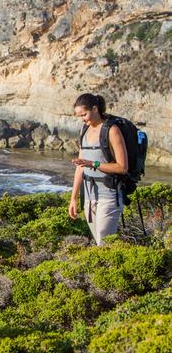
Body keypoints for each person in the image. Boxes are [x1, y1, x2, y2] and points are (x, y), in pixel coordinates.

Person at [69, 93, 128, 245]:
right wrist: (73, 198)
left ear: (95, 109)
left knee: (104, 242)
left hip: (109, 194)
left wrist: (93, 164)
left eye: (84, 114)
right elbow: (80, 168)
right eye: (79, 116)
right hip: (89, 194)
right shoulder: (84, 130)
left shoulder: (112, 130)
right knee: (99, 241)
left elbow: (122, 167)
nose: (82, 119)